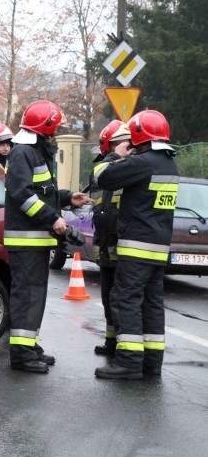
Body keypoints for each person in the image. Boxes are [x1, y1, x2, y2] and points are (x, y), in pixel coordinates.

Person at [4, 100, 91, 373]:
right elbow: (22, 195)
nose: (54, 135)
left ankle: (29, 346)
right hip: (25, 240)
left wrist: (67, 199)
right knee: (26, 296)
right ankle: (20, 353)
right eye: (54, 130)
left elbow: (43, 192)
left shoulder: (36, 153)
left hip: (36, 240)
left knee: (35, 295)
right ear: (45, 128)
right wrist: (53, 219)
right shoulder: (22, 154)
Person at [94, 110, 179, 380]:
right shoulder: (169, 164)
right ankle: (152, 362)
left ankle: (129, 361)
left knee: (126, 299)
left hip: (135, 247)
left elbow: (102, 177)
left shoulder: (144, 162)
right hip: (158, 247)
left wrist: (118, 154)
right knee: (152, 303)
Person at [90, 120, 130, 356]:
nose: (121, 148)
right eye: (117, 144)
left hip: (122, 244)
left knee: (121, 298)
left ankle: (126, 346)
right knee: (107, 298)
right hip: (105, 244)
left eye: (123, 144)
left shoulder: (130, 168)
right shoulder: (103, 169)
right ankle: (111, 341)